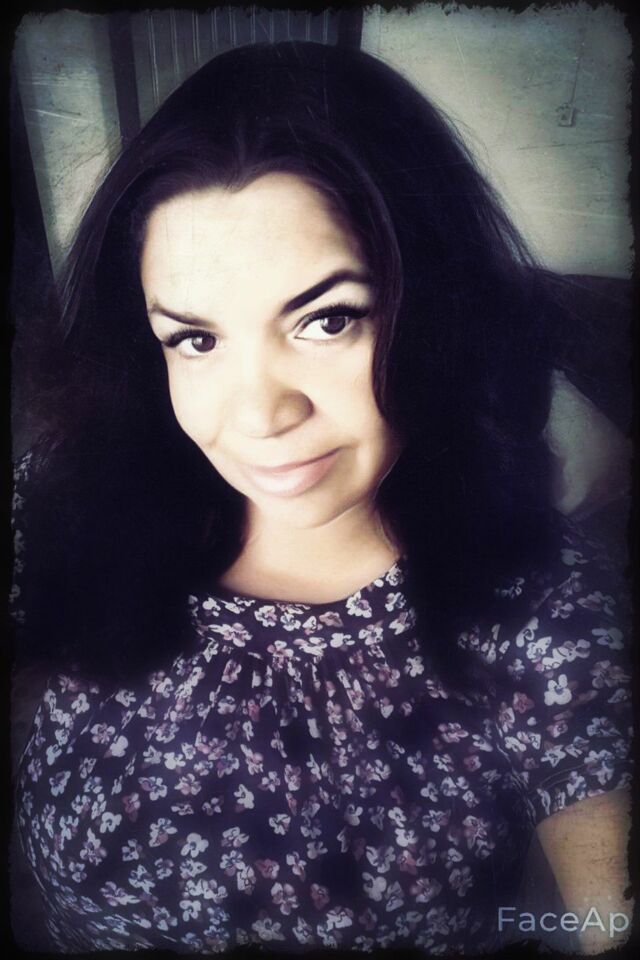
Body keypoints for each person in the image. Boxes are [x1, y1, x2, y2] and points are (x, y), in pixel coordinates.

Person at [10, 40, 632, 955]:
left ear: (434, 311)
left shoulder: (535, 597)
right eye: (195, 340)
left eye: (327, 319)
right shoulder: (79, 493)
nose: (260, 415)